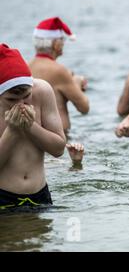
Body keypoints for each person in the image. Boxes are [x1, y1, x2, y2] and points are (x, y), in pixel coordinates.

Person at [0, 44, 65, 209]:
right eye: (12, 100)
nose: (21, 105)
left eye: (26, 96)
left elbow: (58, 149)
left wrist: (30, 127)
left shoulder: (42, 91)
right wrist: (13, 131)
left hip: (40, 193)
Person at [28, 17, 88, 166]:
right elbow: (84, 108)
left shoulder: (26, 67)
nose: (63, 44)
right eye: (62, 40)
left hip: (33, 139)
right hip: (58, 139)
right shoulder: (60, 71)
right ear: (55, 44)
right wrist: (76, 82)